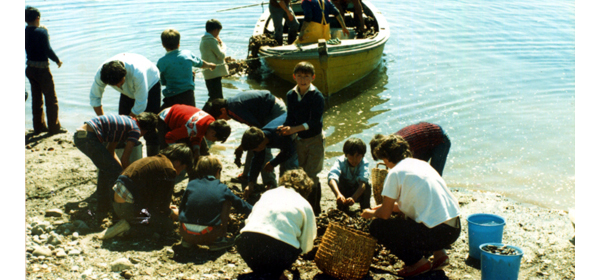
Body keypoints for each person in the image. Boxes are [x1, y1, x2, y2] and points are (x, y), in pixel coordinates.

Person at [361, 135, 461, 277]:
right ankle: (440, 254)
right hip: (454, 229)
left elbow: (385, 214)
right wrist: (376, 209)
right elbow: (400, 206)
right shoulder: (421, 164)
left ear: (387, 157)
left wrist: (370, 214)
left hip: (437, 234)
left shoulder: (394, 173)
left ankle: (418, 263)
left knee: (377, 226)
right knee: (424, 213)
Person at [73, 112, 158, 219]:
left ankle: (103, 207)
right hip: (88, 138)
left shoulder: (126, 122)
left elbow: (110, 150)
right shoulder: (136, 130)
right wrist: (129, 177)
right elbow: (125, 158)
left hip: (81, 136)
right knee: (112, 172)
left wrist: (121, 171)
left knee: (108, 169)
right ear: (145, 130)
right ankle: (113, 210)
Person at [236, 169, 317, 280]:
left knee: (262, 253)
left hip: (246, 243)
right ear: (306, 189)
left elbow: (249, 221)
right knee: (283, 249)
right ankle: (274, 273)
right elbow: (307, 242)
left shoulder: (267, 194)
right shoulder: (304, 204)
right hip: (278, 252)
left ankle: (267, 272)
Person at [105, 144, 193, 238]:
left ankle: (127, 222)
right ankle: (128, 229)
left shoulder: (156, 160)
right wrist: (172, 213)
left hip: (117, 205)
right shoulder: (169, 169)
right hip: (128, 208)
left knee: (157, 217)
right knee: (167, 225)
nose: (179, 173)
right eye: (182, 168)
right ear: (177, 162)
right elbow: (160, 207)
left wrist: (165, 208)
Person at [204, 90, 287, 185]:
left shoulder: (234, 109)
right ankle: (246, 176)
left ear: (222, 110)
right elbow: (253, 130)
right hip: (266, 110)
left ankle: (270, 182)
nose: (222, 121)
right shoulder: (231, 105)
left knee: (261, 144)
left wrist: (242, 146)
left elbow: (257, 132)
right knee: (252, 143)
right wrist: (243, 146)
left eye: (220, 118)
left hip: (275, 110)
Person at [173, 156, 253, 251]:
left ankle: (188, 242)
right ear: (218, 171)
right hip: (208, 236)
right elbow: (242, 205)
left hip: (185, 233)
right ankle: (219, 240)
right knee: (227, 201)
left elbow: (182, 208)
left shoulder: (191, 184)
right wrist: (257, 209)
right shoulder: (222, 188)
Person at [89, 53, 162, 156]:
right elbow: (95, 98)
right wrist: (105, 122)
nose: (118, 86)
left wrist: (127, 124)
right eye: (114, 86)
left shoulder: (137, 73)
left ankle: (153, 158)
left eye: (120, 83)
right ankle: (122, 155)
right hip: (127, 92)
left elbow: (140, 104)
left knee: (149, 127)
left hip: (150, 84)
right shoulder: (102, 74)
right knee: (120, 128)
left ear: (125, 74)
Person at [277, 61, 325, 215]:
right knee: (302, 174)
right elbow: (291, 117)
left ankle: (315, 209)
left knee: (312, 175)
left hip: (315, 139)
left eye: (306, 77)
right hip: (300, 139)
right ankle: (303, 207)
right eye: (299, 76)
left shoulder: (317, 96)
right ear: (294, 77)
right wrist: (285, 128)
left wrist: (294, 129)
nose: (303, 80)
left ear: (313, 77)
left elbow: (315, 123)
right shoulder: (291, 95)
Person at [25, 6, 66, 136]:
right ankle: (54, 128)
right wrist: (57, 60)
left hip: (30, 69)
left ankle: (39, 127)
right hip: (42, 70)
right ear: (38, 18)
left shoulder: (25, 31)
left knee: (36, 99)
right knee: (51, 99)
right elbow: (47, 50)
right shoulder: (42, 32)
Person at [241, 113, 299, 199]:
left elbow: (289, 151)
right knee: (282, 164)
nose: (254, 152)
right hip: (288, 138)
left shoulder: (278, 134)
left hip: (299, 130)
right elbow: (257, 161)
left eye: (254, 150)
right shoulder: (260, 137)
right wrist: (251, 183)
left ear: (260, 145)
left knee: (288, 166)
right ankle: (282, 192)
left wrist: (273, 163)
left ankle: (291, 195)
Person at [157, 28, 216, 109]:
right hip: (188, 96)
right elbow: (201, 63)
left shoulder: (161, 62)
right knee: (190, 117)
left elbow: (163, 82)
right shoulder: (187, 54)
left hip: (171, 97)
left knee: (166, 117)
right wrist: (210, 65)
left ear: (163, 44)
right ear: (179, 43)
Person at [370, 122, 451, 176]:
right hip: (425, 141)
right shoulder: (392, 142)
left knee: (435, 174)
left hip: (439, 138)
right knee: (420, 172)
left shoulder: (400, 146)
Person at [158, 104, 231, 160]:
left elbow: (197, 136)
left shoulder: (210, 121)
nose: (212, 141)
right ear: (213, 133)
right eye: (214, 140)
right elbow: (169, 137)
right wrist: (178, 152)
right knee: (169, 153)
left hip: (176, 111)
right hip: (164, 118)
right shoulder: (194, 128)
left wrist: (196, 150)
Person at [327, 138, 371, 211]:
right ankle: (342, 205)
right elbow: (332, 178)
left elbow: (362, 184)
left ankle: (365, 208)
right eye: (351, 155)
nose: (354, 159)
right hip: (344, 190)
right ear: (346, 155)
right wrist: (338, 194)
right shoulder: (340, 161)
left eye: (357, 156)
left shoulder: (364, 163)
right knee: (338, 180)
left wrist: (354, 197)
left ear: (363, 155)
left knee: (367, 185)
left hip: (357, 191)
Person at [200, 19, 229, 108]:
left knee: (213, 96)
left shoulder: (203, 39)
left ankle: (206, 112)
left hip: (208, 73)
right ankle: (213, 114)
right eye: (218, 32)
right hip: (214, 73)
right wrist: (222, 44)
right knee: (218, 98)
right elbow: (221, 55)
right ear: (215, 30)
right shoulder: (211, 40)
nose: (218, 34)